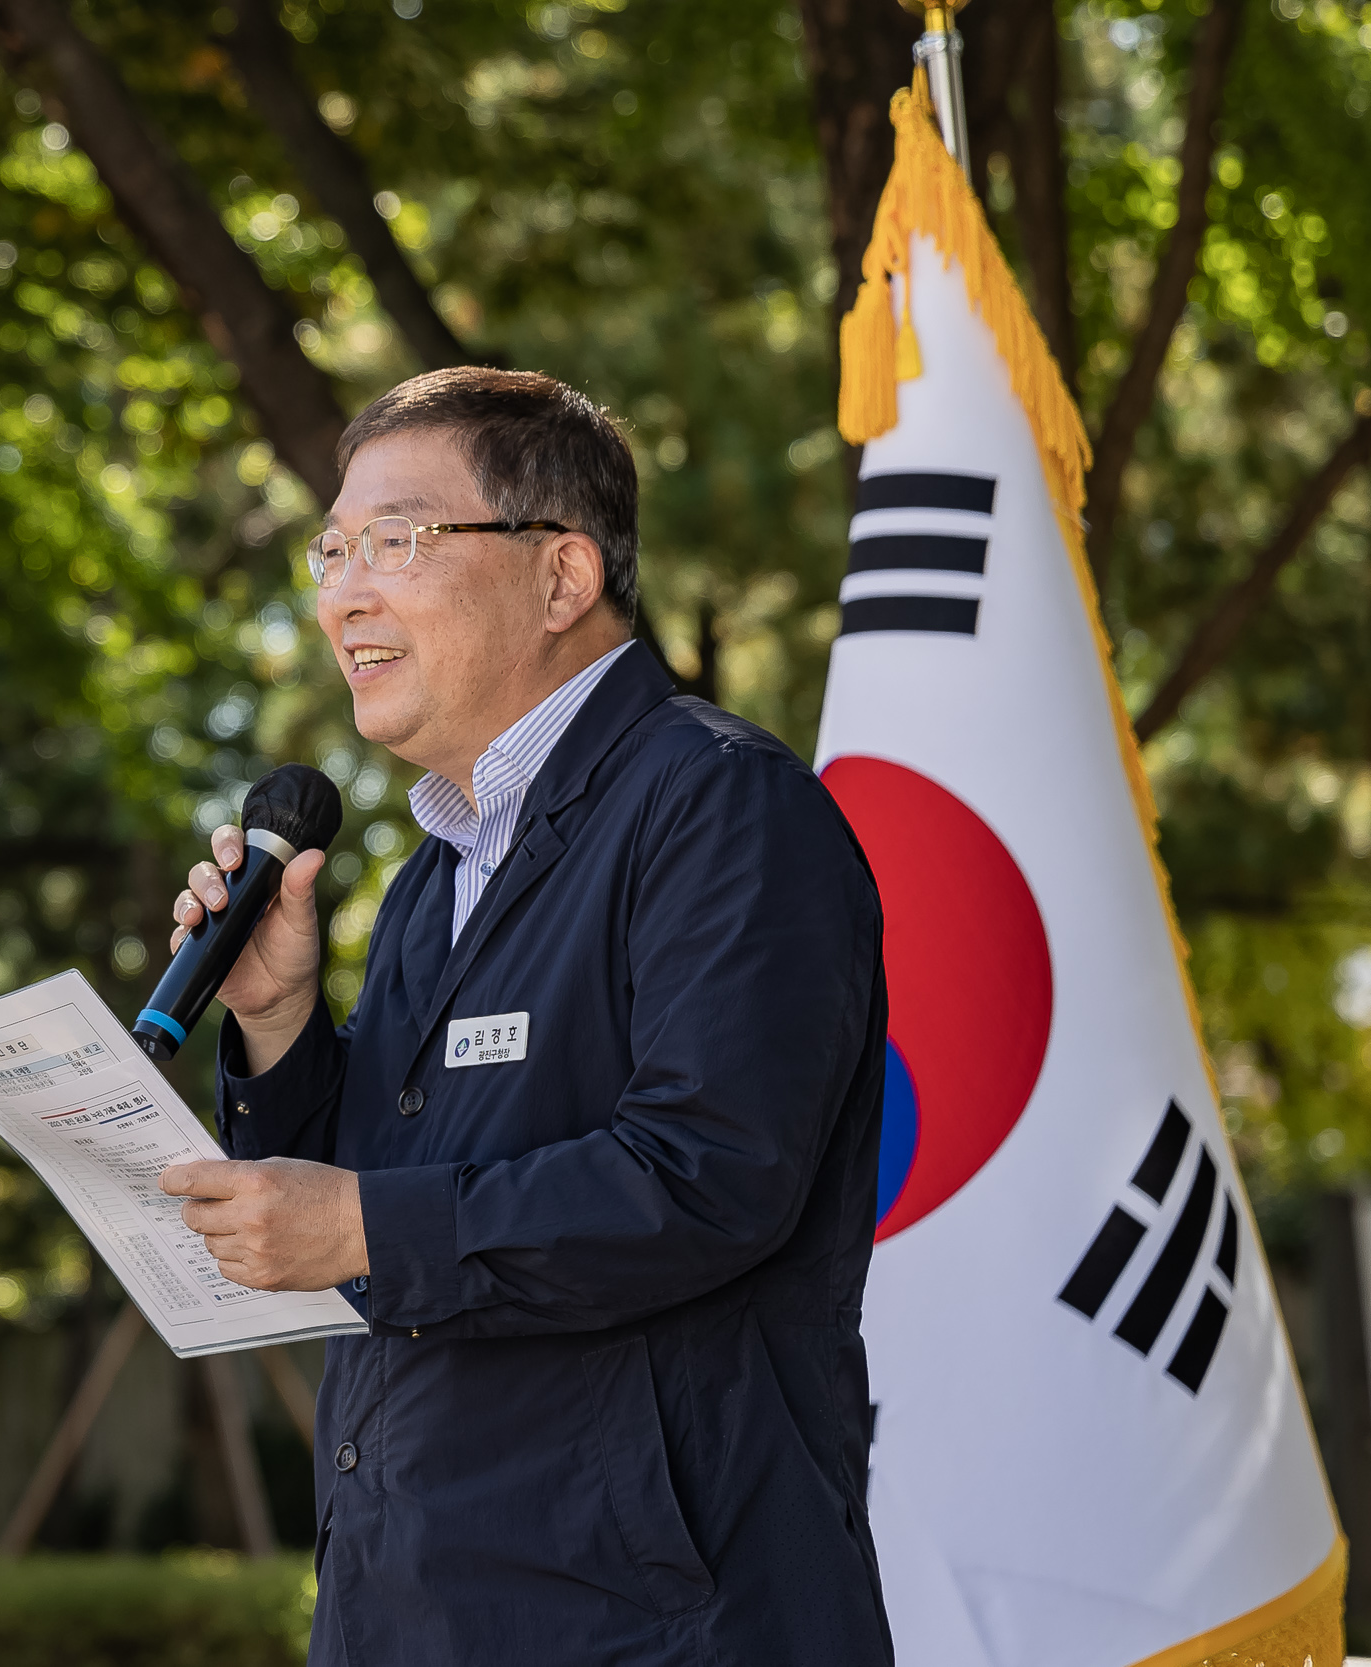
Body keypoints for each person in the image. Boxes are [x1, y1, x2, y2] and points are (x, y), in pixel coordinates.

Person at [157, 367, 892, 1664]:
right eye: (334, 549)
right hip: (411, 1601)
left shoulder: (719, 806)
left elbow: (709, 1178)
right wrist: (275, 1027)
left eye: (399, 540)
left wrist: (363, 1223)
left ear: (561, 577)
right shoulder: (435, 874)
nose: (345, 591)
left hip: (648, 1620)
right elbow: (391, 1197)